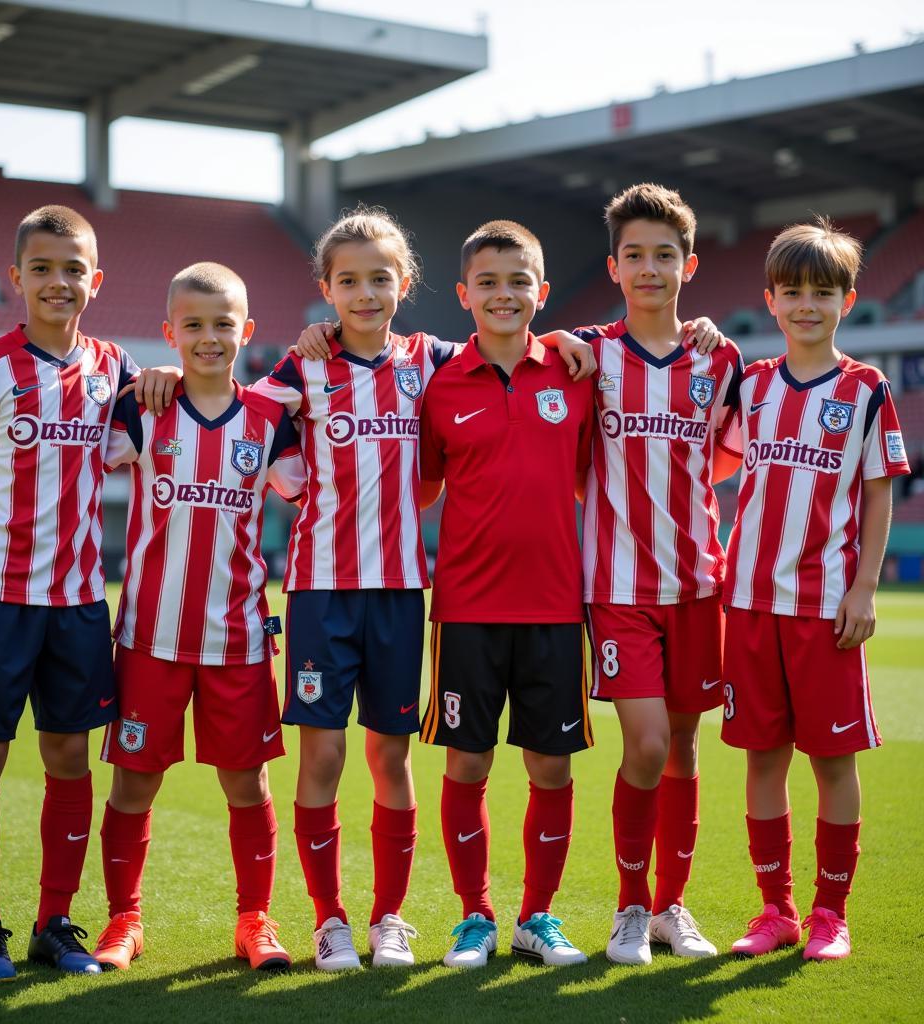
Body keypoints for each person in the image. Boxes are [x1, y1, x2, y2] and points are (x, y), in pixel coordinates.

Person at [261, 206, 594, 970]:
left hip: (403, 593)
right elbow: (229, 401)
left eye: (380, 278)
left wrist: (576, 339)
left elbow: (505, 332)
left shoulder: (433, 359)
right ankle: (329, 919)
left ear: (406, 284)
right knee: (321, 760)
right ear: (327, 288)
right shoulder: (300, 364)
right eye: (349, 280)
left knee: (392, 756)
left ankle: (389, 919)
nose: (366, 292)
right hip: (319, 590)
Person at [0, 205, 174, 979]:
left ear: (94, 281)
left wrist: (162, 377)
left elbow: (173, 417)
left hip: (76, 600)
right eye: (43, 269)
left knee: (70, 755)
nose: (58, 282)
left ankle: (54, 921)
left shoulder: (114, 370)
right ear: (17, 279)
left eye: (73, 270)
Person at [90, 263, 304, 972]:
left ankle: (255, 921)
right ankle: (124, 921)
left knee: (249, 785)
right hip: (150, 636)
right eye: (193, 326)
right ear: (170, 333)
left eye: (223, 325)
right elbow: (78, 445)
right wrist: (135, 378)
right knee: (134, 783)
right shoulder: (142, 410)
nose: (209, 338)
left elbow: (317, 485)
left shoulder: (273, 421)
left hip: (239, 640)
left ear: (245, 331)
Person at [716, 217, 908, 961]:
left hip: (824, 609)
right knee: (762, 759)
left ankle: (831, 914)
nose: (806, 304)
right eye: (792, 291)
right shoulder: (753, 386)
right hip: (750, 605)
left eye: (821, 292)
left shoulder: (865, 389)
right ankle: (776, 911)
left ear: (847, 300)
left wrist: (863, 590)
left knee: (833, 762)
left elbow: (880, 493)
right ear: (768, 299)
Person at [419, 220, 594, 969]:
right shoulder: (438, 384)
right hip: (466, 610)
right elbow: (420, 485)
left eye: (519, 281)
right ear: (463, 295)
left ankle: (538, 917)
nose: (504, 294)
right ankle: (475, 917)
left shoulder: (577, 372)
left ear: (542, 292)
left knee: (550, 768)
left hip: (556, 607)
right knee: (467, 764)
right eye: (487, 282)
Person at [574, 183, 740, 965]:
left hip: (698, 585)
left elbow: (729, 458)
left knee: (683, 746)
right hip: (619, 590)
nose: (649, 268)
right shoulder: (586, 352)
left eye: (663, 255)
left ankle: (673, 906)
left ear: (689, 264)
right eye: (635, 255)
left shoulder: (719, 357)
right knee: (643, 746)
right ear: (614, 267)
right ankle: (630, 908)